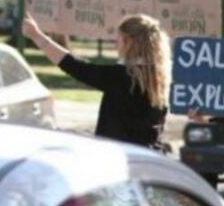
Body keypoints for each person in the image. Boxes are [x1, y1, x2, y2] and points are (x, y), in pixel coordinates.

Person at [22, 13, 170, 149]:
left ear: (129, 41)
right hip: (150, 159)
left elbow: (73, 65)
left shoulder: (121, 77)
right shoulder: (159, 78)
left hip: (121, 160)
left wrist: (37, 36)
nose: (115, 46)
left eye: (117, 40)